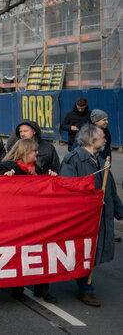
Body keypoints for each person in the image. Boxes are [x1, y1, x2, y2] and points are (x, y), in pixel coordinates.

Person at [60, 124, 123, 307]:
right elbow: (68, 189)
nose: (105, 140)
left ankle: (85, 281)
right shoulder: (73, 160)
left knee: (94, 250)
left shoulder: (101, 159)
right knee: (85, 251)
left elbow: (110, 189)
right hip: (84, 218)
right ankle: (85, 288)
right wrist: (87, 205)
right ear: (92, 139)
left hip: (101, 215)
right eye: (102, 137)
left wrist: (120, 212)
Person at [0, 138, 60, 304]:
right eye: (34, 151)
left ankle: (42, 289)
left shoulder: (35, 169)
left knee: (42, 253)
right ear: (24, 152)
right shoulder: (7, 167)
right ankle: (18, 288)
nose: (37, 153)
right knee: (21, 254)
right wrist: (4, 178)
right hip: (16, 220)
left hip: (36, 219)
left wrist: (50, 178)